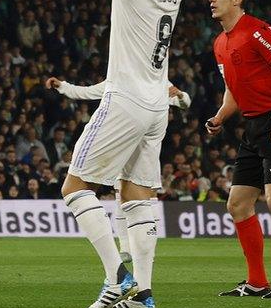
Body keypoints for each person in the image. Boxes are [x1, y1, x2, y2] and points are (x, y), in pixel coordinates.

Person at [34, 0, 194, 308]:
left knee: (74, 186)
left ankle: (116, 274)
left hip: (124, 99)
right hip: (155, 106)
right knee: (135, 196)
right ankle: (142, 295)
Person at [206, 0, 271, 300]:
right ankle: (257, 281)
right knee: (237, 204)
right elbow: (233, 90)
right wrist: (220, 117)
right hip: (252, 127)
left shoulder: (257, 31)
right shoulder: (220, 43)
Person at [45, 76, 192, 263]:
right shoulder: (119, 79)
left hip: (146, 147)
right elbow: (86, 92)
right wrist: (63, 86)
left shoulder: (156, 80)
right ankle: (126, 249)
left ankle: (147, 247)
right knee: (120, 194)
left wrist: (179, 95)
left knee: (148, 194)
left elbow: (185, 102)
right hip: (124, 144)